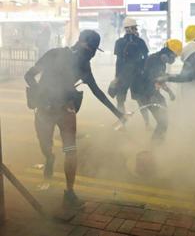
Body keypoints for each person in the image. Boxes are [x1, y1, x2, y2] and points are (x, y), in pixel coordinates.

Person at [24, 30, 125, 208]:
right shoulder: (54, 54)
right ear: (84, 43)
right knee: (45, 146)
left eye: (95, 50)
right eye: (92, 48)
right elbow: (29, 75)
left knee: (71, 150)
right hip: (44, 110)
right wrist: (42, 94)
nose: (93, 53)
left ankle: (69, 192)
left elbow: (97, 91)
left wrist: (118, 113)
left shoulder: (84, 65)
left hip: (66, 110)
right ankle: (49, 159)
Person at [133, 39, 182, 142]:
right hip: (147, 95)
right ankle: (154, 146)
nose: (174, 59)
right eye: (174, 56)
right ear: (167, 52)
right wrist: (153, 96)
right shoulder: (153, 60)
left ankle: (159, 141)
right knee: (163, 122)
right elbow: (152, 78)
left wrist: (169, 92)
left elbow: (160, 80)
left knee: (164, 120)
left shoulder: (161, 63)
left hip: (153, 93)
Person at [109, 17, 149, 120]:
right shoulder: (140, 42)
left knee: (120, 100)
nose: (136, 30)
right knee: (141, 100)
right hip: (137, 75)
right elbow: (146, 59)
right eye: (135, 28)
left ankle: (122, 122)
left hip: (123, 75)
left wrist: (117, 77)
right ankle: (147, 123)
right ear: (130, 28)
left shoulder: (119, 42)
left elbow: (118, 61)